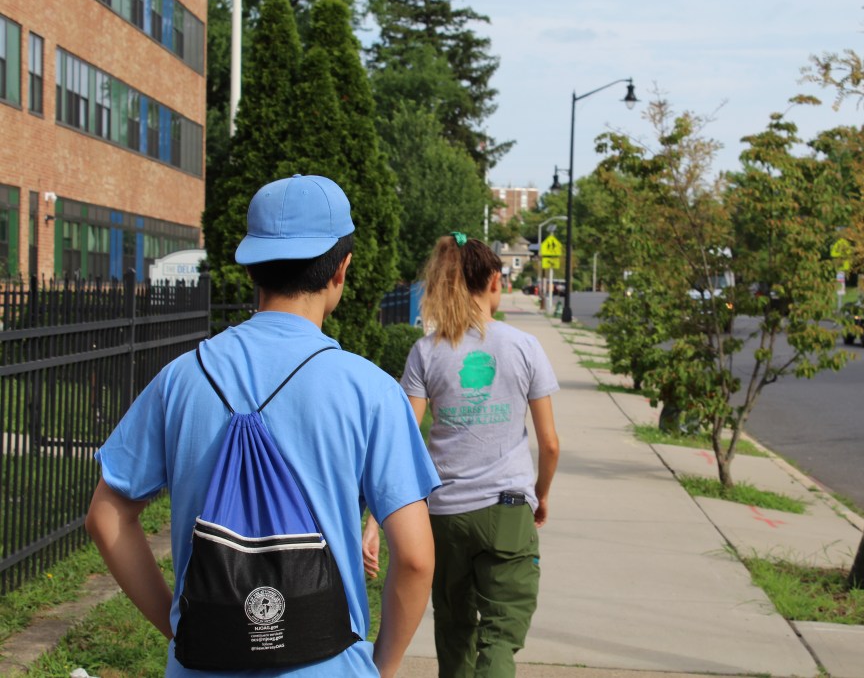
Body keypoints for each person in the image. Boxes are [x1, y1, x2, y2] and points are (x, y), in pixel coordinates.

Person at [86, 174, 440, 678]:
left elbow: (106, 517)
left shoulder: (180, 379)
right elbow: (416, 558)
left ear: (251, 266)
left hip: (201, 665)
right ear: (342, 269)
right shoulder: (370, 390)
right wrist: (383, 665)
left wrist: (181, 627)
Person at [363, 232, 560, 677]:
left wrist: (374, 521)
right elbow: (549, 443)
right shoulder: (523, 347)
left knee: (454, 631)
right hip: (507, 510)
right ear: (493, 281)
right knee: (500, 636)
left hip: (445, 517)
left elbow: (401, 443)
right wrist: (542, 493)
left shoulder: (425, 352)